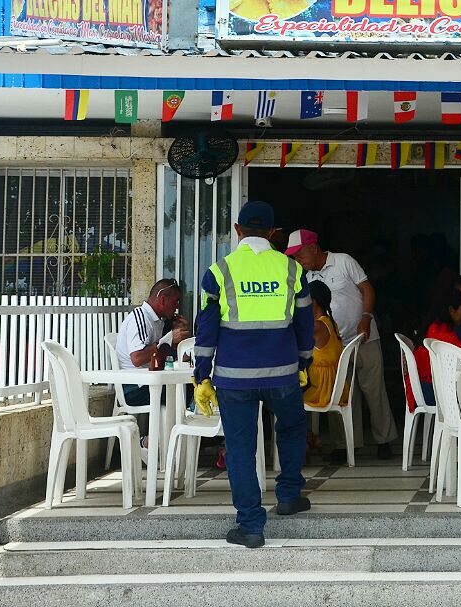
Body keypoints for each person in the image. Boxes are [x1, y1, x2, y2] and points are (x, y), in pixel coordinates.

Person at [193, 201, 314, 549]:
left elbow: (206, 329)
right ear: (274, 233)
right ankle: (289, 495)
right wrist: (304, 363)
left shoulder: (219, 271)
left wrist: (202, 375)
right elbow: (305, 325)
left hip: (234, 378)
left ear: (237, 230)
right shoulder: (291, 269)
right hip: (283, 375)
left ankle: (250, 526)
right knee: (291, 427)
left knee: (241, 448)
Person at [285, 229, 398, 459]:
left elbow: (367, 289)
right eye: (294, 256)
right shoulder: (306, 278)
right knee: (342, 394)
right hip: (334, 345)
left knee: (373, 390)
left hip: (364, 337)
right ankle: (346, 445)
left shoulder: (343, 261)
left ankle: (383, 441)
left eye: (300, 254)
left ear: (314, 247)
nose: (298, 259)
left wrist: (366, 317)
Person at [115, 278, 190, 406]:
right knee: (184, 390)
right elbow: (137, 358)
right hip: (133, 388)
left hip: (151, 381)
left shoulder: (160, 321)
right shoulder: (140, 318)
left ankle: (175, 424)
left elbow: (168, 356)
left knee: (191, 384)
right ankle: (176, 425)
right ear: (162, 300)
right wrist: (170, 339)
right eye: (175, 301)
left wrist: (181, 340)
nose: (177, 306)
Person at [409, 289, 461, 410]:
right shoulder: (441, 331)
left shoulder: (436, 326)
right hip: (431, 391)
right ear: (451, 310)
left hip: (427, 387)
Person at [303, 280, 347, 410]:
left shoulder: (316, 326)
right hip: (334, 385)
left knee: (279, 400)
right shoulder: (329, 322)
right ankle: (307, 431)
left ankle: (305, 431)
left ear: (313, 302)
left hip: (322, 389)